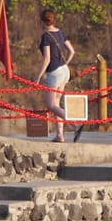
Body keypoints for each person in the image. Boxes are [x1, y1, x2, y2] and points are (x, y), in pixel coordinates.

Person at [36, 8, 75, 142]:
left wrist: (38, 76)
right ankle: (60, 135)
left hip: (54, 73)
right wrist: (65, 63)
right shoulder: (60, 33)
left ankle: (75, 123)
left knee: (51, 105)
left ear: (42, 21)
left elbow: (47, 59)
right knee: (57, 104)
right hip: (65, 71)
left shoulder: (46, 36)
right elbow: (72, 51)